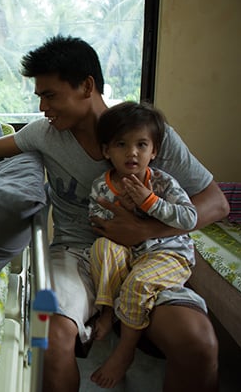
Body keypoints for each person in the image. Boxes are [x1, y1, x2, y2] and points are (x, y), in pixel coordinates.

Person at [0, 35, 228, 391]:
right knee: (49, 338)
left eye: (50, 95)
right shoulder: (45, 135)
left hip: (152, 254)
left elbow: (216, 202)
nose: (43, 107)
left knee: (198, 343)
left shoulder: (148, 135)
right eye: (39, 97)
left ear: (86, 86)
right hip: (77, 253)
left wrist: (145, 231)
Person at [88, 102, 198, 389]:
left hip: (168, 253)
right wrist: (121, 209)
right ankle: (107, 311)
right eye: (121, 144)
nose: (132, 152)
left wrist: (150, 203)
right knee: (101, 248)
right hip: (129, 251)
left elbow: (190, 218)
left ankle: (124, 351)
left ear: (154, 151)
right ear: (106, 151)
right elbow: (96, 221)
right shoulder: (101, 185)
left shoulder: (163, 183)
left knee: (138, 282)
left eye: (141, 144)